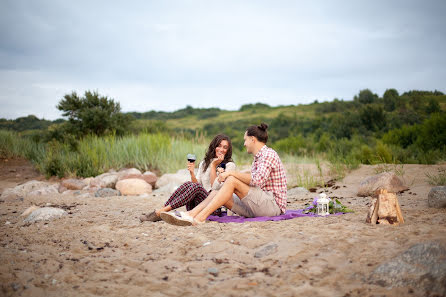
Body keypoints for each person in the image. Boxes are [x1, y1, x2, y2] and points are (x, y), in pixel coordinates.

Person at [160, 123, 287, 226]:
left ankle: (200, 217)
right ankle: (191, 214)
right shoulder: (258, 158)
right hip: (258, 206)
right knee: (218, 191)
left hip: (272, 206)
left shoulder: (268, 154)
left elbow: (257, 181)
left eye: (245, 140)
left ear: (252, 139)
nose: (244, 144)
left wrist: (230, 174)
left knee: (231, 179)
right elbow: (217, 187)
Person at [139, 134, 236, 222]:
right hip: (196, 205)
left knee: (196, 187)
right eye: (219, 146)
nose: (221, 149)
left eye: (225, 147)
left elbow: (215, 188)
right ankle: (162, 209)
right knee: (188, 184)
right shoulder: (204, 163)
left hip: (214, 207)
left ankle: (159, 213)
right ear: (214, 147)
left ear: (228, 150)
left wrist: (214, 166)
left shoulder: (229, 165)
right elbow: (196, 184)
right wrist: (192, 173)